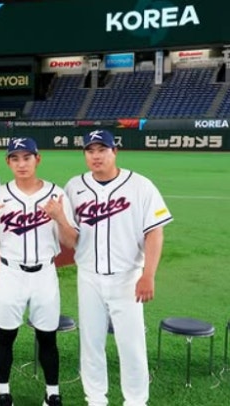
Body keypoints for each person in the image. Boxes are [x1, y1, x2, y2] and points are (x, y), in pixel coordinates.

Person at [64, 129, 173, 406]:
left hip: (128, 277)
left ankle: (135, 401)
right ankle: (95, 399)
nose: (96, 156)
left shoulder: (140, 185)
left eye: (102, 150)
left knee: (131, 344)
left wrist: (148, 274)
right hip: (88, 276)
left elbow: (155, 232)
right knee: (91, 343)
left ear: (115, 152)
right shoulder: (74, 187)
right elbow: (70, 237)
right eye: (90, 151)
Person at [0, 137, 78, 406]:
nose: (21, 164)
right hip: (10, 273)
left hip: (45, 273)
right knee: (5, 336)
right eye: (15, 158)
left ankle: (52, 393)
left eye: (27, 157)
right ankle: (3, 393)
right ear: (8, 162)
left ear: (37, 159)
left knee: (47, 337)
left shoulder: (56, 194)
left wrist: (60, 218)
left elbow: (70, 242)